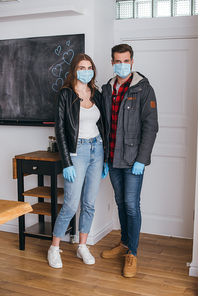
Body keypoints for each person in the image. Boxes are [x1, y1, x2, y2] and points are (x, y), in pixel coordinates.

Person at [101, 44, 158, 278]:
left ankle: (132, 253)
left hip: (133, 159)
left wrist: (142, 160)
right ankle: (124, 243)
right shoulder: (107, 89)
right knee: (121, 203)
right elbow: (104, 124)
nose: (121, 65)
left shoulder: (144, 89)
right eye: (117, 61)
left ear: (132, 62)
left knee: (132, 205)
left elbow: (151, 126)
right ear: (112, 62)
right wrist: (105, 157)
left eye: (125, 61)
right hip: (113, 157)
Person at [47, 53, 108, 269]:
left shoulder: (96, 94)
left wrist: (105, 158)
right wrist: (67, 162)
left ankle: (82, 245)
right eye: (82, 67)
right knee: (71, 204)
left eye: (89, 67)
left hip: (97, 149)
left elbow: (104, 126)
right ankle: (54, 248)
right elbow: (61, 130)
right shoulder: (65, 94)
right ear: (74, 70)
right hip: (76, 152)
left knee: (89, 204)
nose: (86, 71)